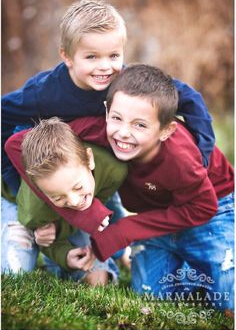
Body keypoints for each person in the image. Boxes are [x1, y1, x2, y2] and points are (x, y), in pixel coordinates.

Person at [6, 64, 233, 312]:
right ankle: (187, 262)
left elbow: (204, 207)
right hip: (155, 215)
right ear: (107, 111)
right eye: (116, 118)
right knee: (151, 297)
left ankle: (203, 258)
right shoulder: (100, 129)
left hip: (211, 212)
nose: (123, 133)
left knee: (227, 300)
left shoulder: (180, 158)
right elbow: (17, 144)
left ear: (166, 130)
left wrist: (123, 231)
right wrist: (82, 213)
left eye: (140, 125)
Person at [2, 117, 128, 286]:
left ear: (89, 159)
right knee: (15, 275)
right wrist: (63, 254)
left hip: (56, 215)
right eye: (58, 197)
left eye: (78, 187)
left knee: (98, 280)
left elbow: (88, 212)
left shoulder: (114, 169)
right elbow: (45, 236)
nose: (75, 202)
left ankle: (122, 253)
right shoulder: (35, 210)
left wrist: (64, 231)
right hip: (13, 200)